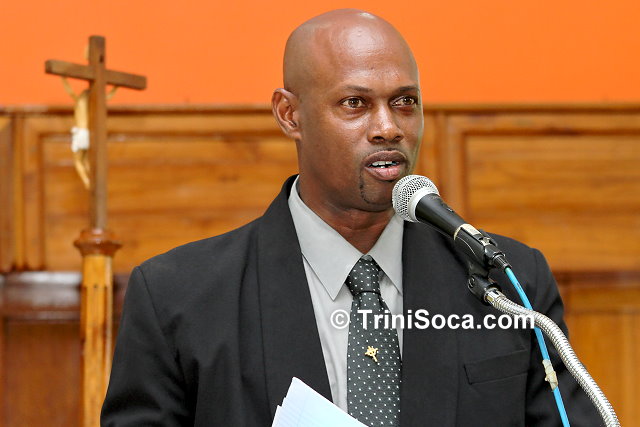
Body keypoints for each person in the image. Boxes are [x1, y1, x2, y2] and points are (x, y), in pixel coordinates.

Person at [102, 9, 601, 427]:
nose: (388, 128)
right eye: (355, 103)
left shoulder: (509, 280)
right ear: (290, 115)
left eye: (404, 102)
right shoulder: (178, 298)